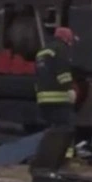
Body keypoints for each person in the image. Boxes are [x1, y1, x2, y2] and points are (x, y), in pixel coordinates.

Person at [35, 27, 79, 157]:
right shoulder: (61, 49)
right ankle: (65, 156)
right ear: (66, 38)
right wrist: (69, 89)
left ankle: (48, 154)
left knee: (52, 129)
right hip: (58, 98)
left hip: (43, 98)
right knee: (66, 127)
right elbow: (63, 72)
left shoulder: (42, 52)